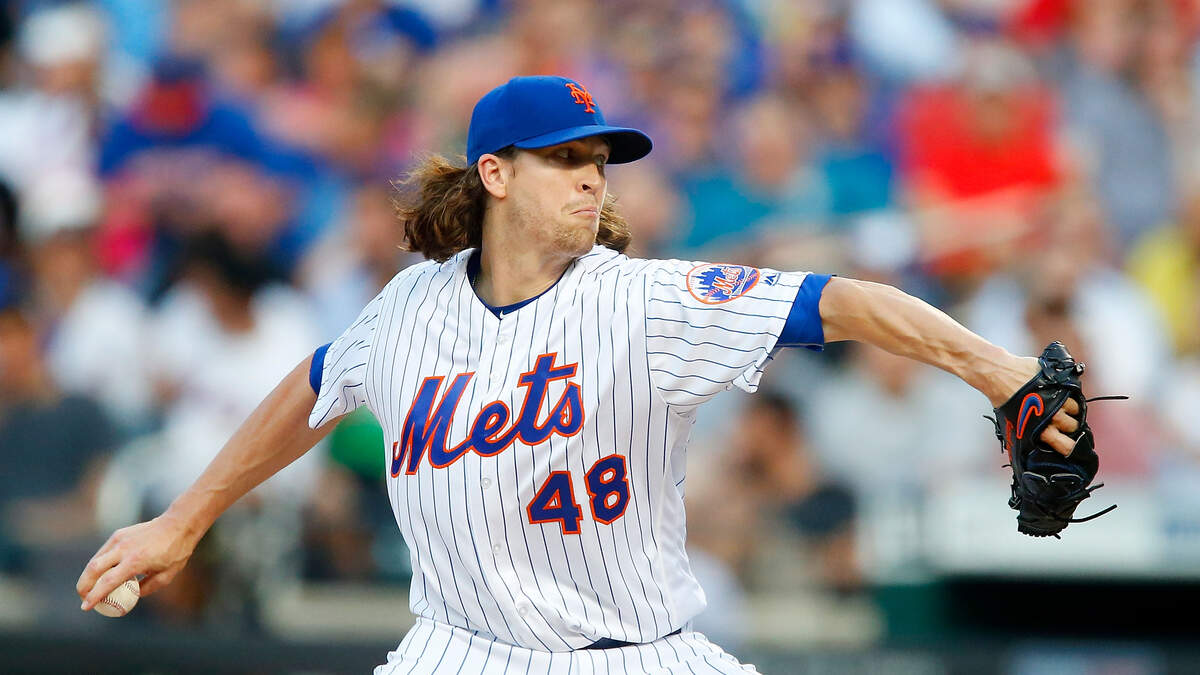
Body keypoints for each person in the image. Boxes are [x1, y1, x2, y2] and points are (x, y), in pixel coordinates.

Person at [77, 76, 1085, 673]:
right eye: (563, 158)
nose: (593, 174)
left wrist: (998, 370)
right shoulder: (409, 307)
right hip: (460, 651)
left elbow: (845, 300)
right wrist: (183, 521)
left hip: (640, 652)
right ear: (495, 173)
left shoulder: (645, 301)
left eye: (598, 157)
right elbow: (312, 387)